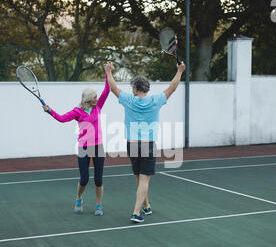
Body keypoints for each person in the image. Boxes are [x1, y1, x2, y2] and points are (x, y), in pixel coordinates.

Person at [104, 61, 186, 223]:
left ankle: (146, 205)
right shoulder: (155, 100)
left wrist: (108, 72)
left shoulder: (128, 100)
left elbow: (113, 88)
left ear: (135, 88)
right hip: (148, 145)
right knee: (144, 179)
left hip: (132, 145)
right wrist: (180, 71)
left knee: (139, 177)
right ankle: (136, 212)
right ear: (146, 88)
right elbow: (172, 87)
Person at [43, 64, 110, 216]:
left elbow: (107, 90)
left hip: (98, 146)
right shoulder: (77, 112)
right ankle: (79, 198)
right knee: (85, 178)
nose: (96, 98)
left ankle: (99, 205)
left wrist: (107, 73)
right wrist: (49, 111)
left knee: (98, 179)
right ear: (87, 99)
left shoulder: (98, 106)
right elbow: (61, 118)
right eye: (94, 97)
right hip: (83, 147)